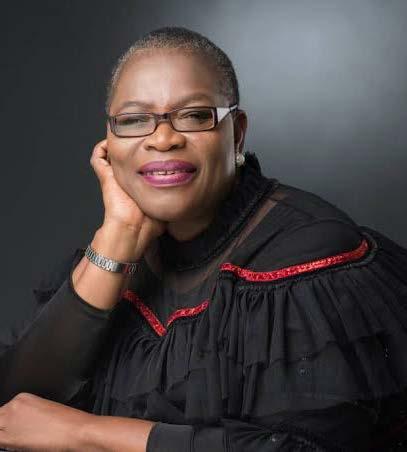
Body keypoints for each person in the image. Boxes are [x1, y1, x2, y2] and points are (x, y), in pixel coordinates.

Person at [0, 25, 406, 452]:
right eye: (134, 120)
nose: (163, 139)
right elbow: (15, 416)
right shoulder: (123, 249)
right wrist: (119, 233)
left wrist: (84, 434)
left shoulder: (311, 257)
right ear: (110, 141)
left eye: (194, 116)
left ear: (237, 133)